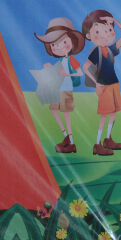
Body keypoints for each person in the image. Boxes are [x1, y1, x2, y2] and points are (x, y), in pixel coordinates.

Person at [34, 18, 85, 154]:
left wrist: (67, 74)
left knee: (66, 114)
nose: (58, 47)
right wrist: (49, 68)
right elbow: (57, 74)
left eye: (63, 42)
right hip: (57, 89)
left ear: (72, 41)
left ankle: (72, 142)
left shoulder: (71, 60)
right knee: (53, 109)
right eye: (53, 45)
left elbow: (80, 73)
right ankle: (66, 136)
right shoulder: (62, 60)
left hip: (66, 90)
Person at [82, 10, 121, 156]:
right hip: (104, 85)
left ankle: (108, 139)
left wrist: (114, 20)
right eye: (98, 31)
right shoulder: (96, 51)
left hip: (114, 83)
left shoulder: (111, 49)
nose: (105, 34)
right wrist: (96, 83)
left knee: (113, 112)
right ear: (89, 36)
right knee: (104, 115)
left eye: (109, 30)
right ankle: (97, 144)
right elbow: (85, 67)